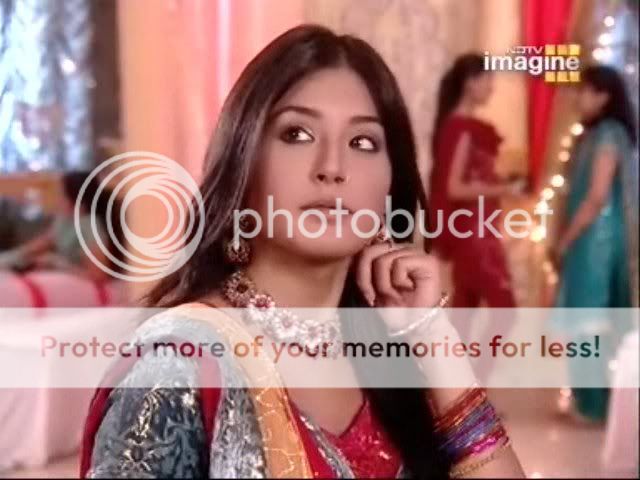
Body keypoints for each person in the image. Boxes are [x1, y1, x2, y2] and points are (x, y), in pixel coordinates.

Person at [80, 26, 524, 478]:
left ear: (391, 183)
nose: (332, 167)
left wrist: (433, 337)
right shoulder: (178, 369)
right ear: (244, 159)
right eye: (296, 134)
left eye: (363, 142)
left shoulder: (401, 357)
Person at [553, 65, 638, 422]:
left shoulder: (608, 134)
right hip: (592, 236)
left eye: (584, 90)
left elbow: (597, 195)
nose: (578, 97)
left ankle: (594, 406)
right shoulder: (593, 134)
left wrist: (566, 238)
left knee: (589, 320)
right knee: (587, 320)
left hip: (597, 241)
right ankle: (589, 402)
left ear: (603, 96)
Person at [429, 54, 525, 313]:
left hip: (479, 229)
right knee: (505, 311)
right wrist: (504, 189)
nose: (492, 86)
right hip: (476, 234)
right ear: (470, 83)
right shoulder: (461, 129)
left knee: (465, 310)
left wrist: (500, 182)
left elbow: (472, 177)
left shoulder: (462, 127)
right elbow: (454, 188)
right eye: (488, 78)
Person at [0, 171, 116, 282]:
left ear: (77, 201)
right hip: (64, 278)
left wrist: (58, 264)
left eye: (62, 195)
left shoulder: (91, 227)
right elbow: (35, 247)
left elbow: (98, 276)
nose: (58, 199)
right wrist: (7, 259)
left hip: (84, 284)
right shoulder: (64, 220)